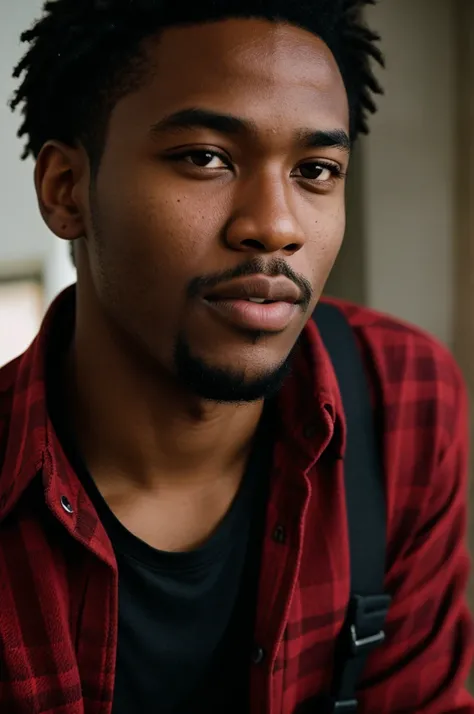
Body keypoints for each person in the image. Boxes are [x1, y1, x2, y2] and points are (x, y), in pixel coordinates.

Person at [1, 0, 472, 712]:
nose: (276, 226)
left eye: (316, 169)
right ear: (67, 191)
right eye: (205, 158)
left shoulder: (401, 396)